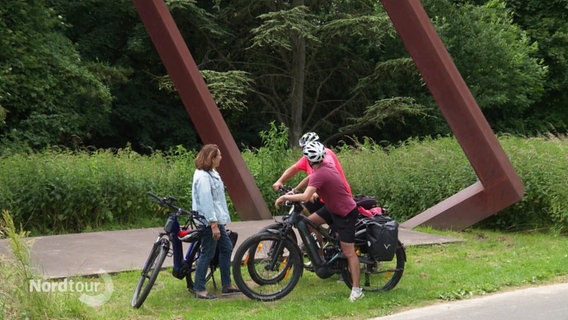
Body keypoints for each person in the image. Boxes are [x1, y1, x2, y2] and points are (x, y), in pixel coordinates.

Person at [274, 141, 364, 302]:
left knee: (348, 251)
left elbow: (306, 197)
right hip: (332, 208)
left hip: (345, 212)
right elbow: (311, 179)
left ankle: (357, 290)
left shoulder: (320, 172)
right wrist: (295, 190)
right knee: (307, 223)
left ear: (309, 160)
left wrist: (285, 196)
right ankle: (320, 256)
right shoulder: (324, 165)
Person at [191, 144, 240, 299]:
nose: (221, 157)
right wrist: (213, 224)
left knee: (226, 248)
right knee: (208, 253)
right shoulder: (203, 177)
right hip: (208, 222)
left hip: (216, 220)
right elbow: (206, 202)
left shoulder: (212, 172)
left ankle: (227, 285)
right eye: (219, 155)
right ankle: (199, 288)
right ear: (212, 158)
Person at [272, 132, 352, 213]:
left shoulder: (325, 155)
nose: (303, 151)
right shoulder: (309, 158)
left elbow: (326, 177)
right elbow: (294, 169)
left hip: (335, 197)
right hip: (321, 195)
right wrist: (280, 181)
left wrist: (314, 193)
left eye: (304, 148)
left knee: (313, 219)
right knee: (302, 217)